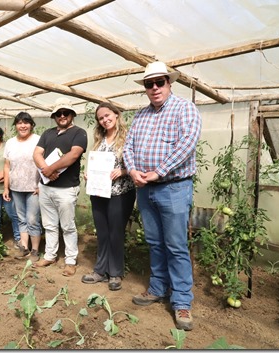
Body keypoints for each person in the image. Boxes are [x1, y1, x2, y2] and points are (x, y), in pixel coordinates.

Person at [123, 61, 202, 331]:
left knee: (176, 245)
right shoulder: (141, 115)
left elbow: (188, 143)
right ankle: (158, 287)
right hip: (145, 187)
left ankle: (181, 301)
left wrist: (159, 171)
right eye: (149, 83)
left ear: (170, 83)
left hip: (173, 187)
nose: (154, 87)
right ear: (145, 88)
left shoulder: (184, 109)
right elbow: (128, 146)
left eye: (159, 82)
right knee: (155, 242)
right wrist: (133, 170)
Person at [82, 102, 136, 291]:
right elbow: (94, 162)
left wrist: (123, 171)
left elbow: (138, 162)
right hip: (99, 192)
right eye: (101, 118)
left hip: (120, 193)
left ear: (116, 114)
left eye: (107, 115)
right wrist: (88, 174)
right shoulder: (99, 139)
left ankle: (115, 272)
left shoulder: (129, 136)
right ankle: (100, 271)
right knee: (102, 232)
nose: (105, 120)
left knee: (115, 232)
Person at [32, 97, 88, 277]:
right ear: (54, 116)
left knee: (68, 226)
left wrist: (50, 169)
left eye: (65, 113)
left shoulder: (79, 133)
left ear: (72, 114)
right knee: (49, 225)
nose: (62, 116)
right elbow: (37, 153)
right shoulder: (48, 133)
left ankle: (70, 260)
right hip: (46, 187)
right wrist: (45, 170)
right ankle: (50, 255)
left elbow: (74, 155)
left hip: (66, 189)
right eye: (58, 114)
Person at [3, 112, 42, 262]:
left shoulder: (38, 140)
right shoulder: (10, 143)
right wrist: (6, 188)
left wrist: (41, 185)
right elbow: (7, 166)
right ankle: (24, 248)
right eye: (19, 123)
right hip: (16, 187)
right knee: (21, 218)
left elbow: (45, 164)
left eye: (26, 122)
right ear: (15, 126)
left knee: (32, 219)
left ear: (31, 124)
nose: (23, 125)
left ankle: (35, 250)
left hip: (33, 187)